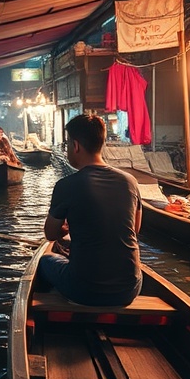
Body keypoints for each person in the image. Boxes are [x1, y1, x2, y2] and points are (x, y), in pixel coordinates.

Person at [38, 114, 143, 306]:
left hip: (84, 290)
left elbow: (50, 234)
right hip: (129, 289)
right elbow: (134, 229)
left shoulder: (66, 185)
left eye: (67, 144)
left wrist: (64, 230)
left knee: (45, 262)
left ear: (76, 146)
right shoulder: (130, 181)